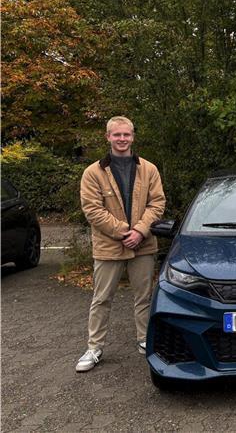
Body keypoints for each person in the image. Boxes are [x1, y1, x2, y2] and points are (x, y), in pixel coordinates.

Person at [75, 116, 166, 372]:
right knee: (101, 298)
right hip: (108, 247)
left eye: (126, 134)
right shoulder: (93, 172)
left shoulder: (149, 169)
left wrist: (140, 231)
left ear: (133, 137)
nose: (122, 139)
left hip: (143, 245)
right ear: (108, 137)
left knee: (144, 297)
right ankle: (94, 348)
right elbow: (92, 210)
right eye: (117, 135)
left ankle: (144, 340)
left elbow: (157, 203)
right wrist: (125, 231)